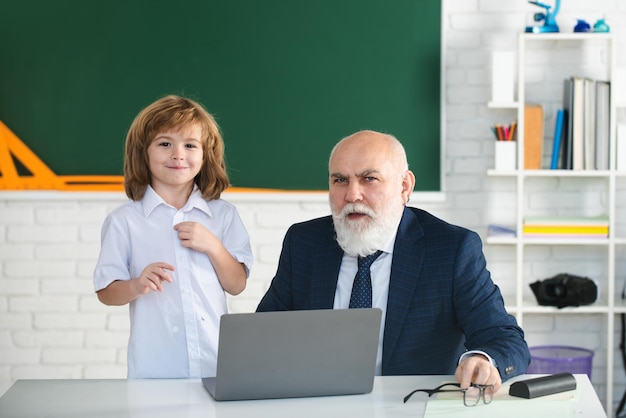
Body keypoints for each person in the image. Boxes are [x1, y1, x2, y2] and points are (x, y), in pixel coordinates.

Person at [257, 130, 530, 393]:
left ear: (404, 186)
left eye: (369, 179)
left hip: (411, 406)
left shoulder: (452, 249)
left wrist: (484, 361)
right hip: (320, 402)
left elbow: (504, 338)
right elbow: (263, 335)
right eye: (340, 180)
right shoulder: (304, 242)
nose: (352, 195)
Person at [93, 95, 253, 379]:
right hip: (154, 369)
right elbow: (106, 292)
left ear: (206, 155)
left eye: (190, 145)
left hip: (214, 365)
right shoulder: (124, 221)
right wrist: (136, 284)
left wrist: (213, 246)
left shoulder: (224, 216)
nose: (178, 154)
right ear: (144, 152)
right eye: (165, 143)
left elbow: (237, 284)